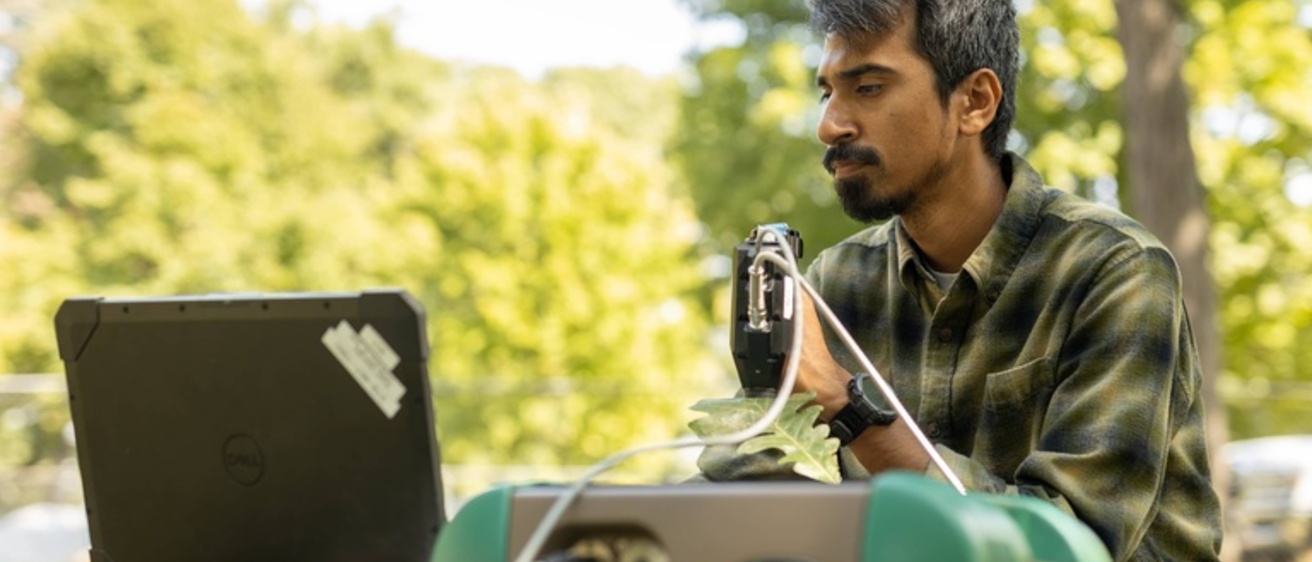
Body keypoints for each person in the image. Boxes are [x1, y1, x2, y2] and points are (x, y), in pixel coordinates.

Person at [697, 1, 1224, 560]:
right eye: (826, 92)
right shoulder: (838, 282)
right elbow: (742, 486)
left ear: (974, 102)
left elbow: (1069, 547)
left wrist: (843, 403)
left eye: (869, 87)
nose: (830, 125)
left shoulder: (1114, 272)